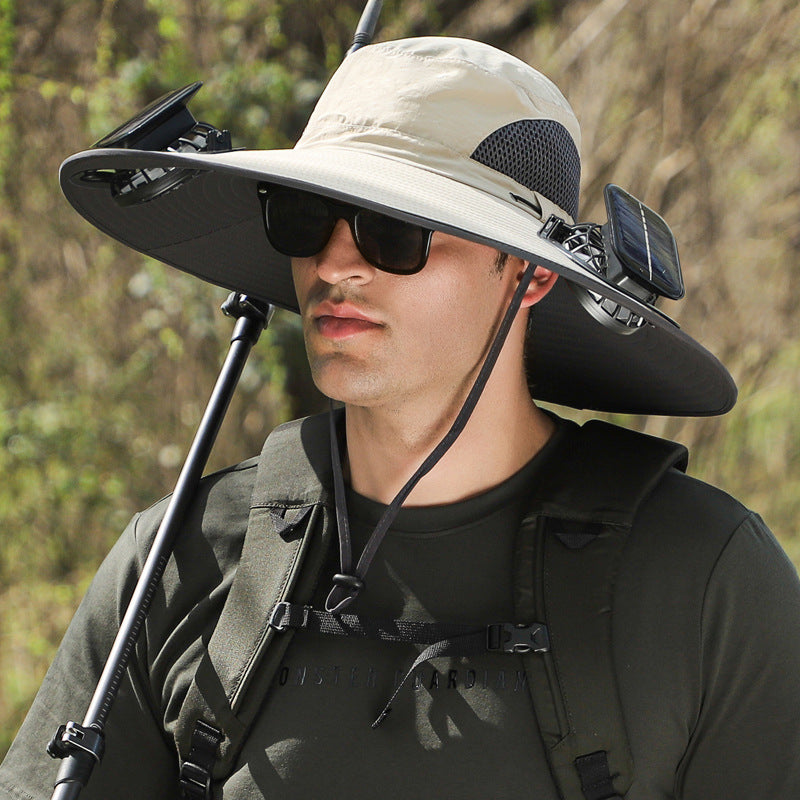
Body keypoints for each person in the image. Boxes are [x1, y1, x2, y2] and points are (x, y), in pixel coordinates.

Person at [2, 35, 800, 800]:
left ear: (527, 276)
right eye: (306, 219)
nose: (336, 264)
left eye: (395, 230)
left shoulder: (705, 579)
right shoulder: (182, 558)